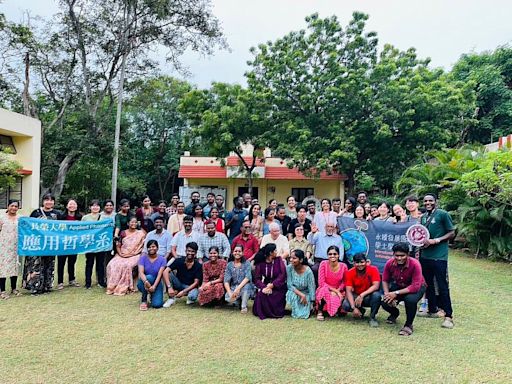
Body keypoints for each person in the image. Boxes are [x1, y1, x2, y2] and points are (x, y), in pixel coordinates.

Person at [418, 193, 455, 329]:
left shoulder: (442, 214)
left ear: (435, 202)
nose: (428, 203)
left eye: (430, 200)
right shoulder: (423, 217)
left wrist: (436, 240)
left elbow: (451, 233)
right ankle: (432, 310)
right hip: (425, 256)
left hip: (439, 257)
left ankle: (448, 316)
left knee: (442, 285)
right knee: (428, 285)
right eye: (425, 200)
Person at [381, 242, 427, 336]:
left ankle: (408, 325)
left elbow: (415, 286)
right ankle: (394, 314)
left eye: (402, 255)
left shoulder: (415, 264)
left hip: (417, 287)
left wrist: (395, 293)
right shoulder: (389, 263)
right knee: (384, 300)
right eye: (397, 255)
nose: (399, 258)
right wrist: (387, 294)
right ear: (393, 254)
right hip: (400, 285)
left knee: (410, 300)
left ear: (408, 254)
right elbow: (385, 280)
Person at [23, 193, 60, 295]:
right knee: (36, 265)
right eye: (46, 200)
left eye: (51, 200)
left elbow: (63, 228)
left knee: (49, 265)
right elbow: (28, 226)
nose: (49, 202)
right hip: (37, 244)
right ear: (43, 201)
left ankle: (47, 286)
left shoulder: (57, 214)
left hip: (51, 244)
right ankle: (35, 287)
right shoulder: (36, 212)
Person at [106, 216, 145, 295]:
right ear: (128, 223)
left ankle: (125, 286)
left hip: (135, 254)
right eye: (132, 222)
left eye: (135, 222)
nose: (133, 224)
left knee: (127, 265)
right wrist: (120, 254)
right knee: (112, 264)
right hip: (122, 254)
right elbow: (118, 245)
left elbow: (142, 246)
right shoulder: (123, 232)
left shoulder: (141, 233)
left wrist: (134, 253)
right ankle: (113, 286)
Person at [342, 253, 381, 327]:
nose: (360, 264)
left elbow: (376, 286)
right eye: (357, 262)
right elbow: (348, 291)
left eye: (362, 262)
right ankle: (360, 310)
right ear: (354, 263)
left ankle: (372, 318)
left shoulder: (373, 269)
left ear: (366, 262)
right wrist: (353, 308)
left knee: (377, 296)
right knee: (345, 305)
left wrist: (362, 295)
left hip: (368, 296)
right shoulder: (350, 272)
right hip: (356, 297)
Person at [252, 244, 287, 320]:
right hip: (266, 285)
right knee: (261, 294)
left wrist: (273, 285)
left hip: (278, 286)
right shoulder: (261, 263)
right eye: (275, 250)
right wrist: (264, 287)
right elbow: (257, 278)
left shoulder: (279, 260)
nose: (276, 252)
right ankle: (263, 312)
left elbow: (282, 274)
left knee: (275, 296)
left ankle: (275, 312)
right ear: (271, 253)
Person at [162, 242, 202, 307]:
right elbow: (165, 271)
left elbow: (196, 283)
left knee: (193, 296)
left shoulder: (198, 265)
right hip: (178, 283)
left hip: (189, 286)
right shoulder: (179, 260)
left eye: (193, 251)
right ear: (185, 251)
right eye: (188, 251)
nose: (190, 253)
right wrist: (169, 287)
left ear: (196, 253)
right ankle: (171, 298)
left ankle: (187, 296)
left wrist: (184, 291)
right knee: (168, 273)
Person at [315, 245, 348, 320]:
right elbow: (321, 283)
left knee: (338, 297)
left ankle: (337, 310)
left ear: (338, 255)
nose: (332, 256)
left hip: (339, 289)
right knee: (322, 290)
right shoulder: (323, 264)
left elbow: (344, 282)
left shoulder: (344, 266)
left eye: (335, 254)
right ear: (327, 255)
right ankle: (320, 312)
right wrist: (335, 291)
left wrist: (338, 291)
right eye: (330, 254)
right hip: (325, 288)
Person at [57, 198, 83, 290]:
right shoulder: (61, 217)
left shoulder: (80, 217)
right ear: (67, 206)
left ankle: (72, 280)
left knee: (72, 262)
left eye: (74, 204)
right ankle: (60, 282)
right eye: (70, 204)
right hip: (62, 243)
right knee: (61, 263)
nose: (72, 206)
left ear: (77, 206)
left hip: (74, 243)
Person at [82, 199, 107, 289]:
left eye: (97, 206)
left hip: (100, 243)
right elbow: (82, 230)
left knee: (100, 263)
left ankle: (101, 281)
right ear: (90, 207)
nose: (95, 207)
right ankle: (88, 282)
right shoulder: (85, 218)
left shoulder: (104, 218)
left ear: (100, 207)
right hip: (89, 244)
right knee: (89, 263)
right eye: (93, 205)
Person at [0, 200, 21, 299]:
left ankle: (14, 288)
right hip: (3, 246)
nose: (14, 208)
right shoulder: (2, 218)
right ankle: (2, 291)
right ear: (8, 207)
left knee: (15, 267)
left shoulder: (20, 219)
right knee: (3, 268)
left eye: (16, 206)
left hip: (16, 245)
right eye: (12, 206)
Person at [286, 250, 316, 319]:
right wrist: (301, 295)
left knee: (305, 313)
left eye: (294, 258)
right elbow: (289, 285)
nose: (291, 260)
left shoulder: (308, 271)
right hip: (294, 291)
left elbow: (311, 287)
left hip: (306, 293)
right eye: (291, 258)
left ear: (301, 260)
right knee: (292, 294)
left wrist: (312, 301)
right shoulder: (289, 268)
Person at [137, 240, 166, 310]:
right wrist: (146, 282)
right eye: (149, 247)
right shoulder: (143, 258)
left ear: (157, 248)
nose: (151, 248)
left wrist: (154, 287)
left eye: (153, 246)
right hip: (143, 282)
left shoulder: (162, 259)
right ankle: (144, 300)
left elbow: (160, 274)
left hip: (156, 282)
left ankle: (152, 294)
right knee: (149, 277)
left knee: (157, 305)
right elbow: (141, 272)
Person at [224, 244, 253, 313]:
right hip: (234, 287)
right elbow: (226, 281)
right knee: (227, 297)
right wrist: (230, 292)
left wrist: (238, 288)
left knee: (247, 286)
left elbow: (248, 277)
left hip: (244, 286)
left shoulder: (247, 263)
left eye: (239, 251)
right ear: (232, 252)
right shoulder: (229, 264)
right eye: (235, 251)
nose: (237, 253)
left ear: (242, 253)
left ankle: (243, 306)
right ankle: (238, 301)